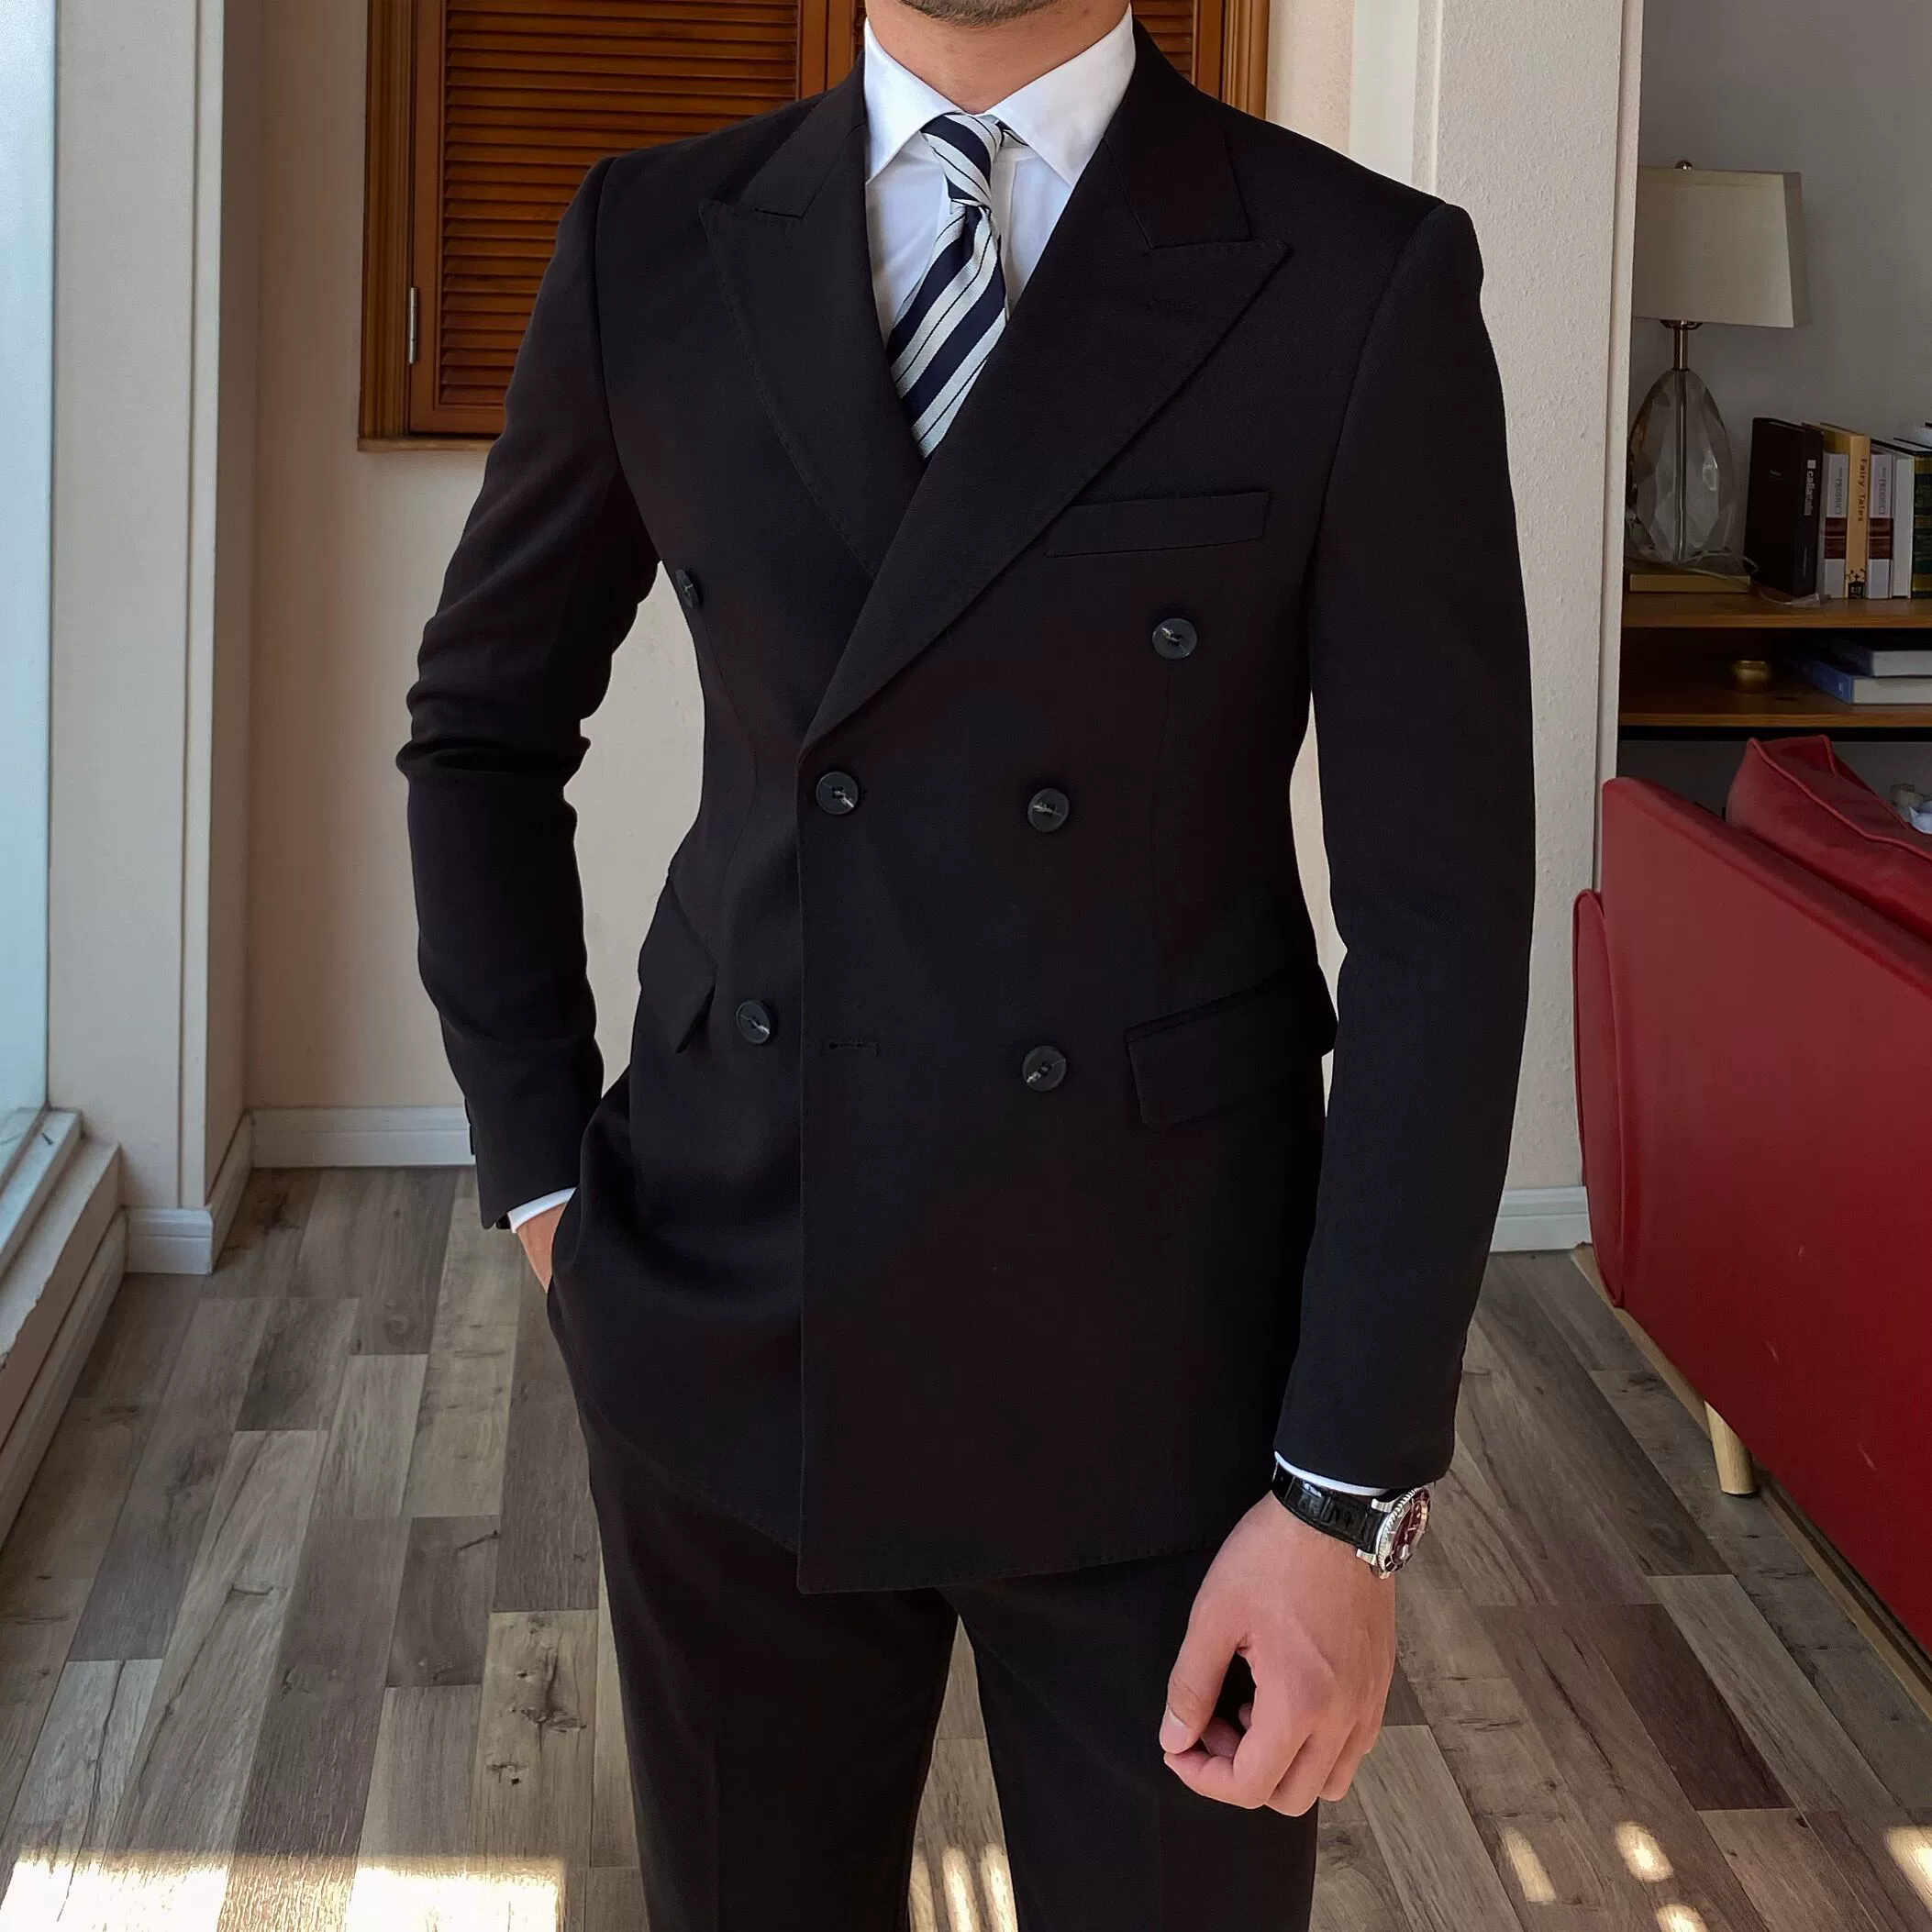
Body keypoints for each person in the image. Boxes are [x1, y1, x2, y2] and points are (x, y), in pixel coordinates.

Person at [400, 0, 1534, 1924]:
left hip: (1170, 1389)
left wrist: (1345, 1497)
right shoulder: (648, 242)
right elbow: (480, 736)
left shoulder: (1356, 273)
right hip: (727, 1319)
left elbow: (1440, 925)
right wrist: (544, 1192)